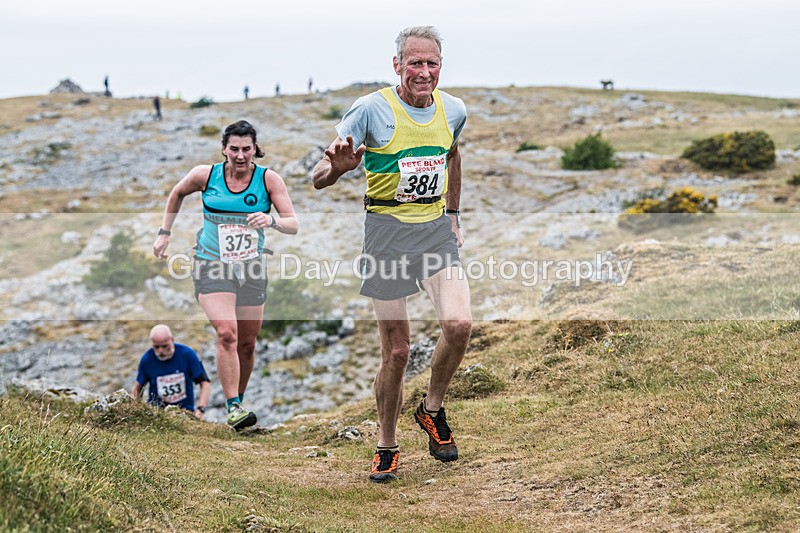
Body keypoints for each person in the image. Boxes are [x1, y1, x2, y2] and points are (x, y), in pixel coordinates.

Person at [312, 26, 471, 483]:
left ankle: (431, 410)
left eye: (432, 63)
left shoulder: (453, 110)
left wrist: (454, 214)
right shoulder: (371, 109)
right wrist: (336, 171)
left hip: (435, 231)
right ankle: (386, 444)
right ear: (397, 65)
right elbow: (318, 172)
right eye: (415, 63)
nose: (424, 72)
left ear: (441, 66)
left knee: (459, 326)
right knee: (398, 352)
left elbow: (452, 155)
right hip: (385, 234)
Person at [153, 120, 299, 431]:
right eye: (234, 148)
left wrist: (270, 220)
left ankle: (239, 404)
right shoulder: (205, 175)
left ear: (254, 149)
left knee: (247, 344)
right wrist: (164, 233)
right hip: (211, 264)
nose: (241, 155)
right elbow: (177, 193)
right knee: (227, 333)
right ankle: (232, 406)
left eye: (247, 149)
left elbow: (293, 223)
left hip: (251, 268)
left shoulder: (268, 180)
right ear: (224, 149)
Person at [132, 324, 211, 419]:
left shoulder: (187, 355)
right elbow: (137, 388)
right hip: (157, 416)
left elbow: (205, 384)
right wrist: (139, 411)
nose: (161, 351)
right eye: (156, 347)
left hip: (185, 414)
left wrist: (200, 411)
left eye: (165, 346)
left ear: (172, 340)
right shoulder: (147, 359)